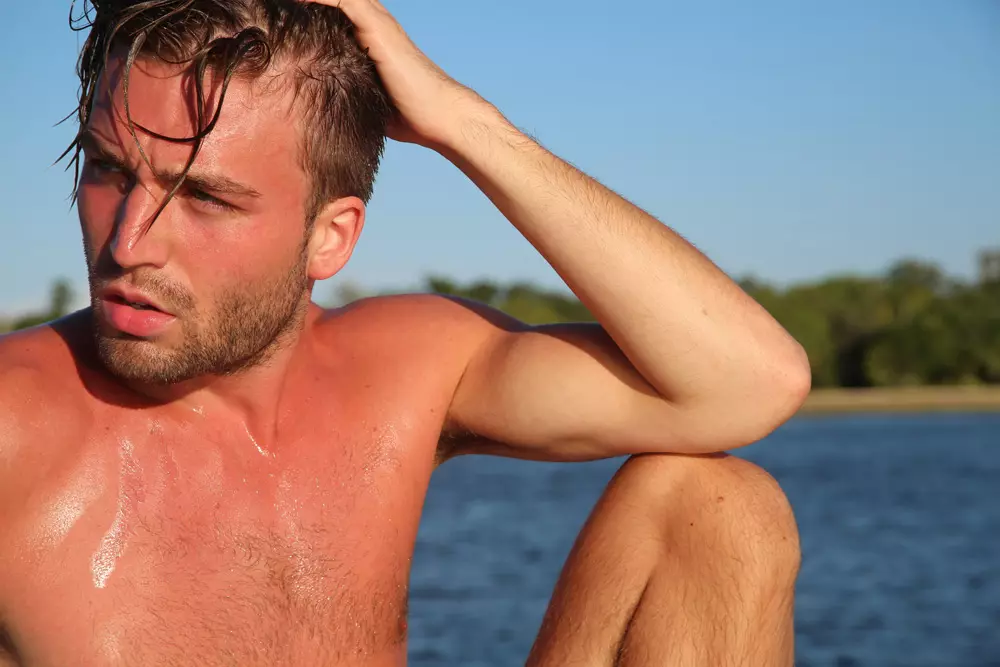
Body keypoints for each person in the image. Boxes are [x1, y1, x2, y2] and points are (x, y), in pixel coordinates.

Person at [0, 0, 810, 664]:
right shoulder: (17, 424)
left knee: (716, 506)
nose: (129, 243)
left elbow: (749, 384)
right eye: (109, 171)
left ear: (332, 236)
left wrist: (464, 123)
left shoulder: (405, 373)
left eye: (206, 198)